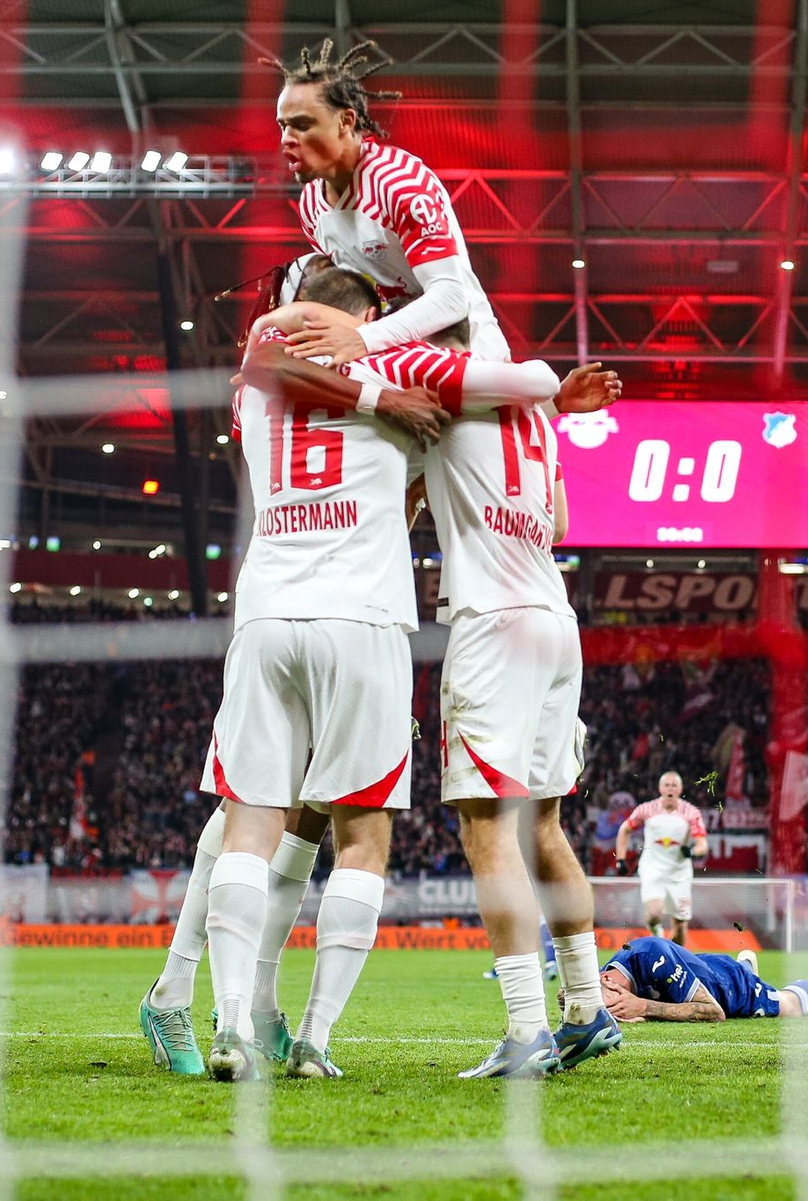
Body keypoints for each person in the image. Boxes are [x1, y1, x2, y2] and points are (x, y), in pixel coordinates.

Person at [242, 268, 622, 1078]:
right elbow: (559, 518)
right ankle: (588, 1009)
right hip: (557, 617)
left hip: (493, 623)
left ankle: (527, 1029)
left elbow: (359, 387)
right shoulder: (533, 423)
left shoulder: (430, 371)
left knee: (488, 833)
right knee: (546, 827)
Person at [200, 267, 449, 1082]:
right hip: (364, 623)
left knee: (249, 824)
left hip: (268, 615)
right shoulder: (396, 382)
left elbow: (265, 364)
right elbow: (423, 482)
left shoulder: (255, 396)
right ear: (370, 317)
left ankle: (233, 1023)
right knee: (363, 836)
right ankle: (312, 1038)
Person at [138, 254, 335, 1078]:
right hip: (282, 605)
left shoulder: (363, 366)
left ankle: (250, 996)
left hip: (353, 615)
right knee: (254, 806)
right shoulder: (273, 372)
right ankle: (179, 993)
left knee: (316, 811)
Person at [265, 38, 508, 365]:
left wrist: (363, 338)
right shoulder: (311, 204)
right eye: (283, 126)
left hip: (468, 352)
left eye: (302, 125)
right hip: (391, 357)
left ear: (346, 121)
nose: (286, 140)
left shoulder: (399, 183)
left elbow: (452, 297)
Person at [596, 936, 808, 1023]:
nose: (613, 1010)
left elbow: (714, 1013)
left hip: (728, 987)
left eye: (612, 1005)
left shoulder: (653, 957)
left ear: (608, 980)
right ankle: (747, 966)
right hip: (704, 971)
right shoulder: (605, 976)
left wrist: (643, 1008)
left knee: (789, 1006)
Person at [613, 772, 708, 946]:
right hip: (652, 870)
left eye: (674, 785)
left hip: (679, 874)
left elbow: (703, 845)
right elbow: (625, 829)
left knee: (680, 924)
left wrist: (693, 852)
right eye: (667, 785)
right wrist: (621, 858)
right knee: (654, 913)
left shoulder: (691, 812)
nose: (670, 789)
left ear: (680, 789)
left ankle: (676, 961)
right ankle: (656, 933)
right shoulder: (646, 809)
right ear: (660, 788)